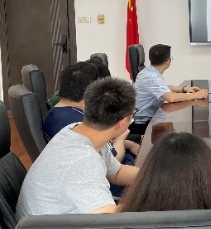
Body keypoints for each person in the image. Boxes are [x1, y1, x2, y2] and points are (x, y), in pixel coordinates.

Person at [17, 77, 140, 217]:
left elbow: (116, 173)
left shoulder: (77, 131)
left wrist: (156, 177)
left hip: (54, 222)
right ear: (123, 122)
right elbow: (106, 219)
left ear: (86, 106)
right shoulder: (84, 160)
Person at [42, 61, 140, 197]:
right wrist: (121, 139)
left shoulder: (73, 124)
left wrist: (156, 176)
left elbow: (115, 170)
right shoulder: (79, 129)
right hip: (103, 192)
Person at [134, 44, 208, 118]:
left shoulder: (149, 72)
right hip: (145, 119)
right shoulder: (151, 77)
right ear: (167, 61)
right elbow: (171, 98)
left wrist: (184, 89)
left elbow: (162, 87)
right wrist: (196, 95)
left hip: (152, 114)